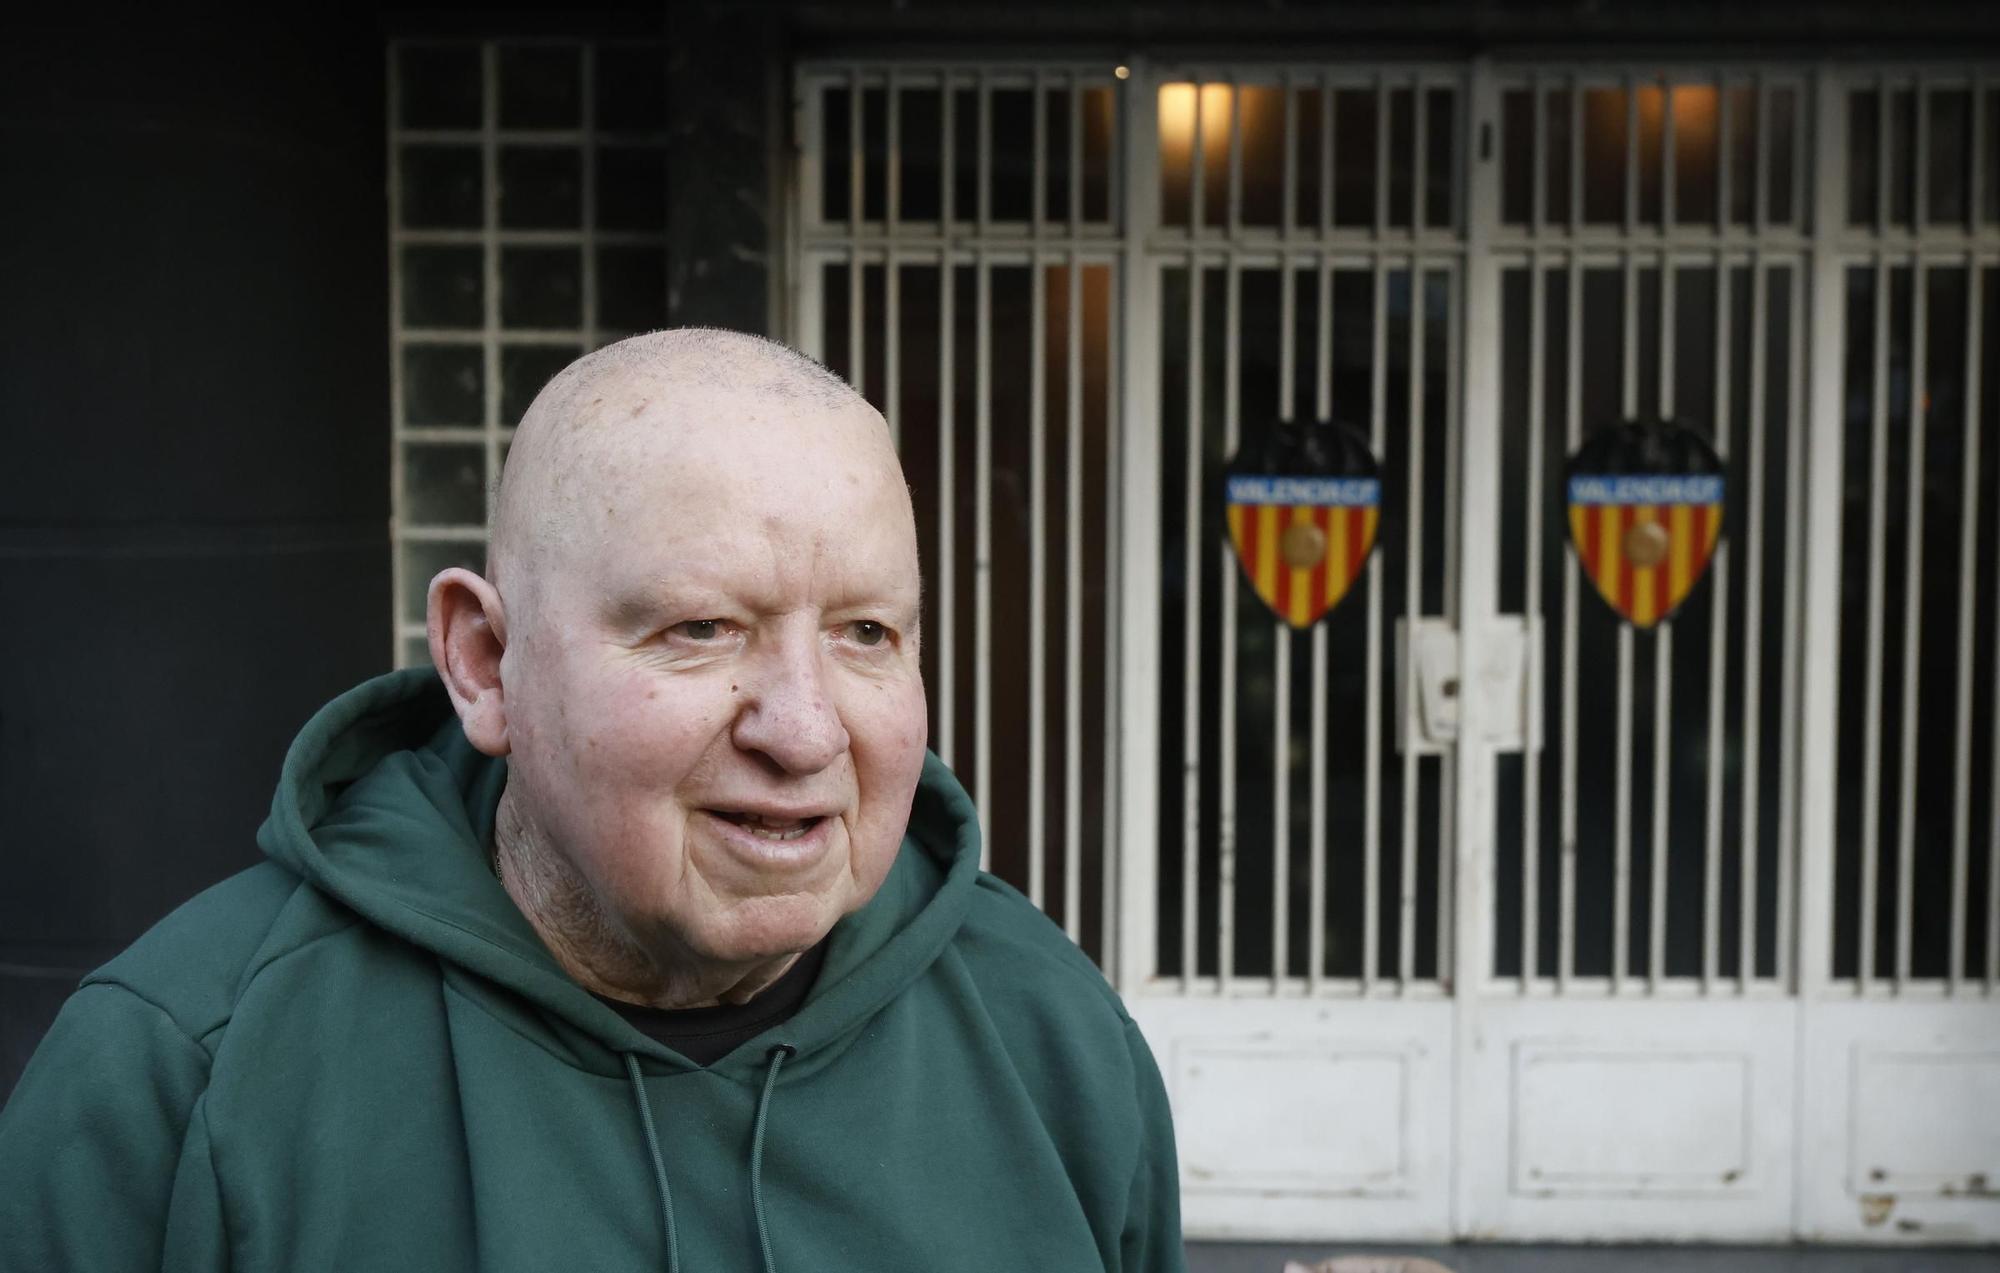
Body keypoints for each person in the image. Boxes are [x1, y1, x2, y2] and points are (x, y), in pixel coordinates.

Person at [0, 329, 1184, 1272]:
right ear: (483, 662)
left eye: (865, 633)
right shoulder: (178, 1074)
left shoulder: (1053, 1041)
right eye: (700, 628)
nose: (805, 727)